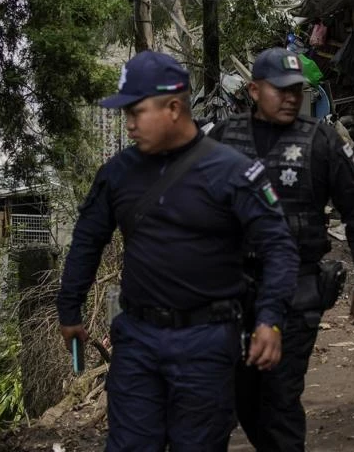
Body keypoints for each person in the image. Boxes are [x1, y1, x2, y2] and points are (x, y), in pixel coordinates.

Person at [57, 50, 299, 451]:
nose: (129, 124)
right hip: (136, 338)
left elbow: (279, 247)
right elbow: (87, 241)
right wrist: (70, 310)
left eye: (136, 112)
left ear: (173, 108)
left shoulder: (232, 172)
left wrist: (269, 321)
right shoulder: (117, 174)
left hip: (206, 341)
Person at [209, 47, 354, 452]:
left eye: (297, 90)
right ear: (253, 90)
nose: (291, 97)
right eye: (280, 89)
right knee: (240, 396)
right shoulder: (222, 139)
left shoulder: (320, 140)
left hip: (295, 291)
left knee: (280, 398)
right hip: (231, 292)